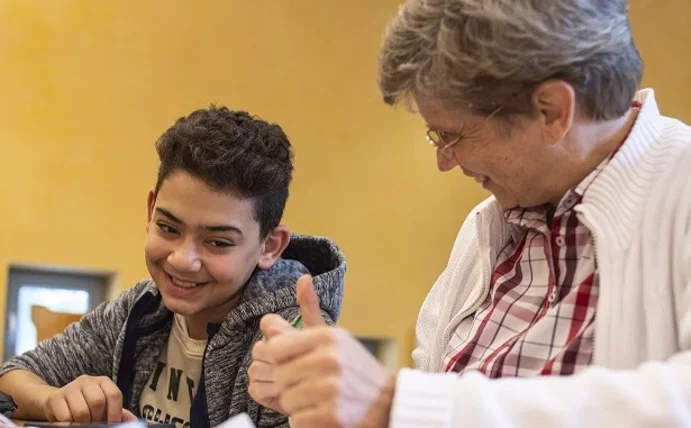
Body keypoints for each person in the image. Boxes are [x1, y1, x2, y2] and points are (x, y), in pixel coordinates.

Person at [248, 0, 691, 426]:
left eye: (450, 134)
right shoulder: (491, 226)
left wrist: (394, 404)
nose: (445, 160)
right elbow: (426, 391)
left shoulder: (678, 190)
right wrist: (328, 396)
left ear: (553, 110)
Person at [0, 107, 346, 428]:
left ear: (269, 246)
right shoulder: (137, 310)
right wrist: (53, 400)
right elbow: (12, 376)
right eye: (169, 228)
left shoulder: (288, 343)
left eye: (218, 242)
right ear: (151, 210)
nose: (182, 259)